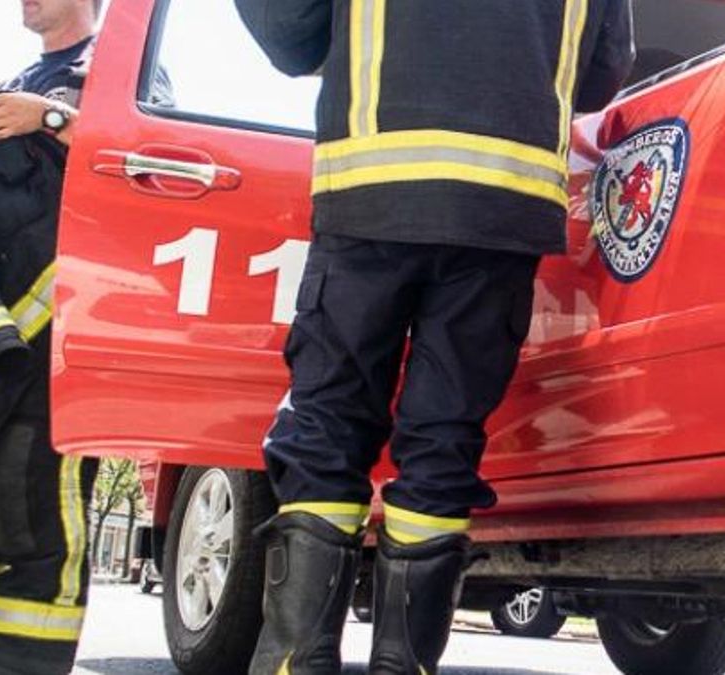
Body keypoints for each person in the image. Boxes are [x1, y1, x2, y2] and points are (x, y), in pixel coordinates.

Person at [235, 1, 635, 673]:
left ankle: (296, 662)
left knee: (329, 429)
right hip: (504, 207)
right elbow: (602, 74)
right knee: (443, 443)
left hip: (373, 192)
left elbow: (290, 38)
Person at [0, 2, 97, 673]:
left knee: (38, 517)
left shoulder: (108, 67)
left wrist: (46, 116)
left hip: (60, 349)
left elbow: (134, 153)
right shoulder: (21, 73)